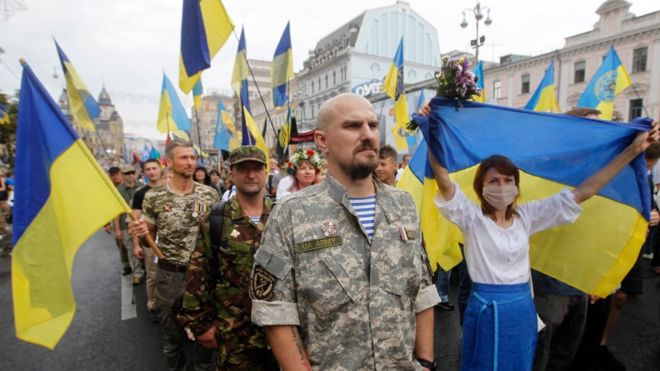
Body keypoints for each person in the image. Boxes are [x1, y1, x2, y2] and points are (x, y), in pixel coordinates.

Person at [426, 107, 659, 370]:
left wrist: (633, 150)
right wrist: (433, 129)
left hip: (523, 309)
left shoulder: (528, 216)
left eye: (507, 180)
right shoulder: (471, 217)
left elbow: (586, 190)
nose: (501, 187)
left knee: (521, 364)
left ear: (516, 187)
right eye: (493, 181)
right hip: (487, 311)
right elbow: (444, 180)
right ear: (481, 187)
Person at [250, 93, 439, 370]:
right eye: (353, 126)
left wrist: (426, 361)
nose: (367, 135)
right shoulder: (292, 213)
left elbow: (422, 290)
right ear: (322, 140)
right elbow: (275, 311)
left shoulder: (403, 205)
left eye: (372, 125)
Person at [177, 146, 278, 370]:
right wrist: (201, 325)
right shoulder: (216, 218)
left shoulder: (283, 215)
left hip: (281, 331)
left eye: (257, 169)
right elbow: (197, 274)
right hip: (235, 334)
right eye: (243, 169)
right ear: (231, 173)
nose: (251, 175)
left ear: (265, 173)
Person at [129, 139, 220, 371]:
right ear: (168, 163)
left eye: (192, 158)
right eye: (184, 158)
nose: (190, 162)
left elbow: (219, 234)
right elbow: (147, 234)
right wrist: (140, 233)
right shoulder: (154, 197)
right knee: (172, 339)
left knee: (206, 338)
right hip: (170, 275)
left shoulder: (210, 195)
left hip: (202, 277)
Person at [131, 159, 164, 322]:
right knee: (152, 275)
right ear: (144, 173)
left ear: (160, 169)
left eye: (154, 168)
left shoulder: (171, 190)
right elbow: (135, 221)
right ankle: (153, 305)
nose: (152, 172)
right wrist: (136, 245)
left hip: (170, 242)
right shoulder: (140, 193)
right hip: (150, 241)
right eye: (148, 169)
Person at [115, 164, 145, 285]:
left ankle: (145, 269)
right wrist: (117, 229)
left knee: (144, 248)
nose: (130, 176)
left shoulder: (142, 187)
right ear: (122, 175)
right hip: (125, 225)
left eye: (132, 173)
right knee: (131, 249)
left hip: (143, 223)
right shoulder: (118, 191)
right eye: (127, 174)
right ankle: (137, 273)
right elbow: (116, 212)